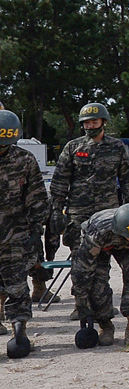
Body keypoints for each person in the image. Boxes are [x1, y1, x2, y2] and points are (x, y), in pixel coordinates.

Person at [50, 102, 129, 317]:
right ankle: (81, 304)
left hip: (107, 214)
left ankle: (102, 303)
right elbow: (60, 182)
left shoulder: (117, 147)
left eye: (94, 122)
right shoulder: (73, 147)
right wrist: (55, 211)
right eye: (87, 123)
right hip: (78, 215)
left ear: (104, 122)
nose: (90, 126)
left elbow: (126, 180)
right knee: (79, 260)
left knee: (102, 260)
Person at [71, 204, 129, 348]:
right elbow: (83, 269)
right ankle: (105, 325)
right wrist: (81, 303)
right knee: (97, 282)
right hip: (103, 245)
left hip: (128, 250)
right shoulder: (98, 233)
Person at [0, 110, 48, 349]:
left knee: (17, 284)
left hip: (15, 234)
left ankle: (19, 328)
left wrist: (35, 229)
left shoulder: (24, 160)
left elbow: (37, 197)